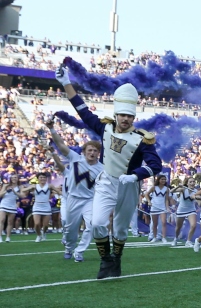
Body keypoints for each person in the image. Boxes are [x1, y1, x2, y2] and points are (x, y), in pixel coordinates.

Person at [56, 66, 162, 279]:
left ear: (133, 117)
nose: (125, 119)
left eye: (129, 116)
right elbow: (82, 110)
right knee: (96, 223)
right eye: (122, 115)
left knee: (121, 229)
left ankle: (117, 261)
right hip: (106, 182)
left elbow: (156, 164)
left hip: (129, 185)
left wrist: (136, 175)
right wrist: (66, 82)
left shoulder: (142, 138)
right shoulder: (105, 128)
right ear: (116, 114)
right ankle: (106, 262)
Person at [48, 123, 102, 262]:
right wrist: (52, 128)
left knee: (92, 225)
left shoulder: (102, 168)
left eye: (95, 151)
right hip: (73, 199)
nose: (92, 153)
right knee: (71, 230)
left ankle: (79, 251)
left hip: (89, 200)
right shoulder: (75, 158)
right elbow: (60, 144)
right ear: (84, 151)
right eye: (90, 150)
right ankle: (69, 247)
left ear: (98, 153)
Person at [29, 172, 60, 242]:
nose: (42, 179)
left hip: (46, 206)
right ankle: (38, 235)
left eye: (44, 177)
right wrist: (27, 189)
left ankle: (44, 233)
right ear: (38, 178)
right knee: (37, 224)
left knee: (45, 225)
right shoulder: (34, 186)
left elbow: (59, 191)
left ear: (46, 179)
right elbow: (23, 191)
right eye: (41, 177)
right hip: (37, 205)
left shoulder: (50, 186)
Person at [172, 176, 199, 246]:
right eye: (190, 182)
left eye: (193, 182)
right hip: (181, 210)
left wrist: (199, 198)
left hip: (191, 210)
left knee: (193, 225)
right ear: (187, 183)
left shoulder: (196, 191)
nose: (192, 183)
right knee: (178, 227)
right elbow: (171, 191)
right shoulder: (183, 189)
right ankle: (175, 238)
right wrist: (178, 186)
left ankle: (188, 241)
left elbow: (199, 202)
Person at [144, 174, 170, 243]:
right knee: (155, 224)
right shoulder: (154, 187)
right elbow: (146, 194)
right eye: (162, 179)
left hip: (162, 208)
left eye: (164, 179)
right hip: (154, 207)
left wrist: (167, 207)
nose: (163, 181)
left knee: (164, 222)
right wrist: (149, 201)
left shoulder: (166, 189)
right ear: (158, 180)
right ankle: (154, 237)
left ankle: (164, 237)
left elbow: (166, 200)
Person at [1, 176, 20, 242]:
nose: (14, 179)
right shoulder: (5, 185)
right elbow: (0, 195)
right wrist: (6, 191)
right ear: (11, 179)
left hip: (12, 205)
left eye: (16, 177)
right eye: (13, 178)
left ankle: (8, 237)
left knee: (10, 222)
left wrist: (14, 191)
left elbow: (21, 196)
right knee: (1, 220)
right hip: (4, 204)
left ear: (18, 179)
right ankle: (0, 236)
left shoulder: (20, 187)